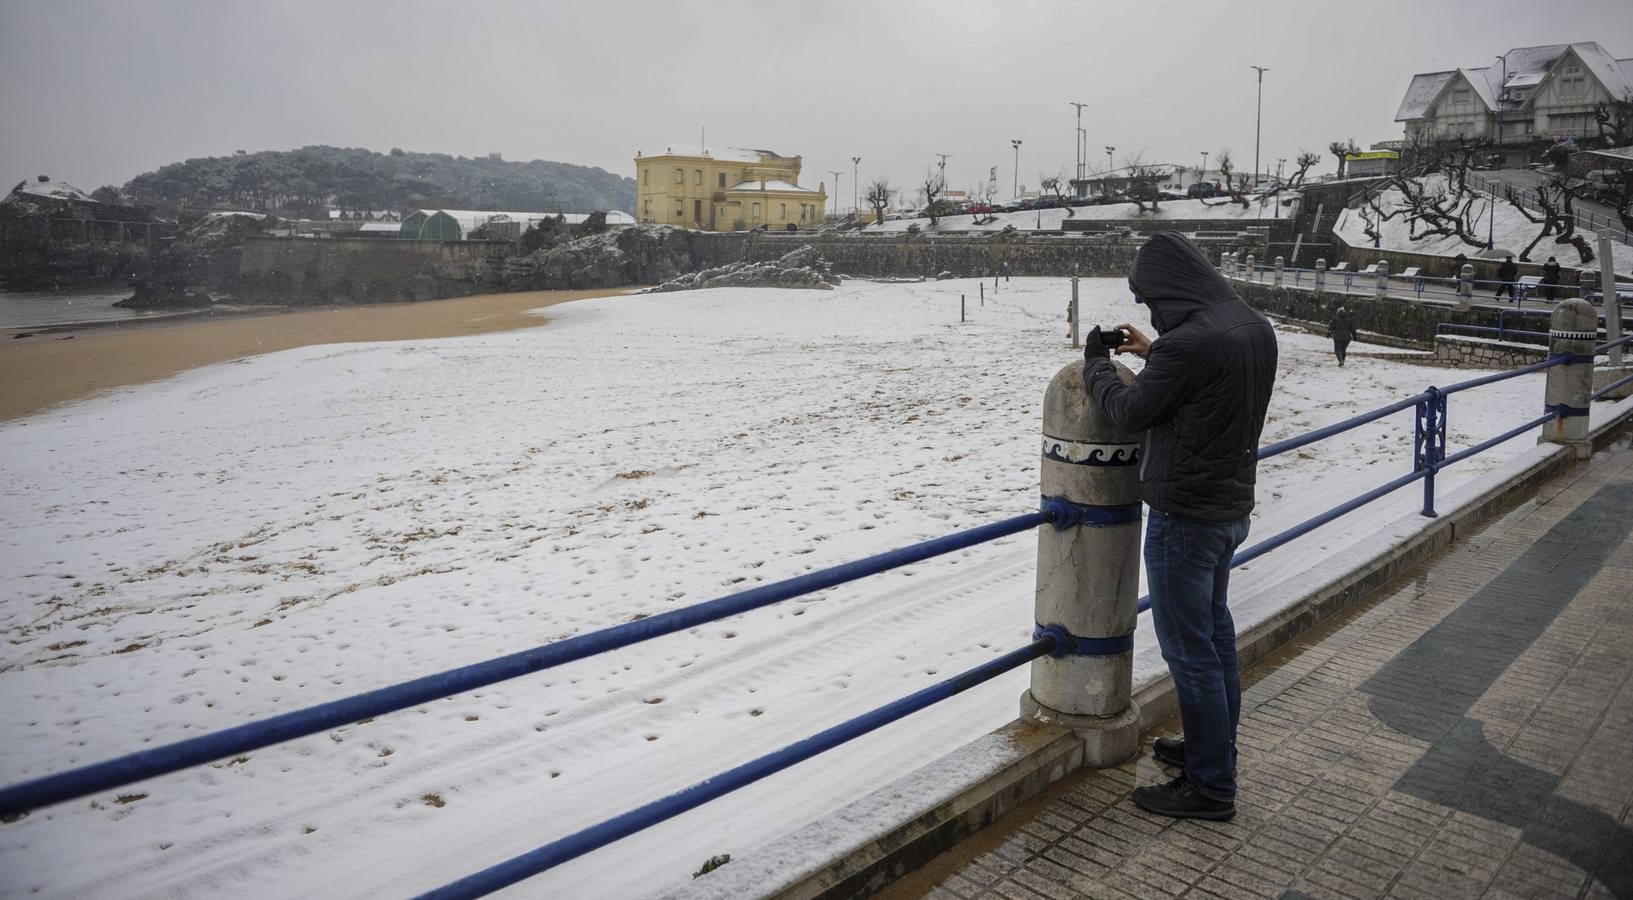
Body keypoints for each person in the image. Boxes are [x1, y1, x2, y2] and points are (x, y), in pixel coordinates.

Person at [1081, 233, 1278, 820]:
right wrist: (1154, 352)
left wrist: (1098, 365)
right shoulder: (1251, 326)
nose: (1150, 312)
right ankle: (1210, 749)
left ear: (1167, 288)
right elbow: (1200, 388)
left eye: (1149, 300)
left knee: (1190, 653)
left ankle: (1211, 786)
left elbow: (1128, 412)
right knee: (1214, 639)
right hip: (1228, 510)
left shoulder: (1188, 346)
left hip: (1183, 518)